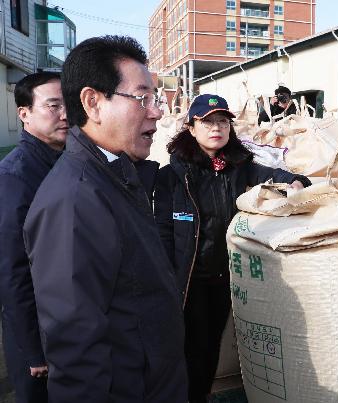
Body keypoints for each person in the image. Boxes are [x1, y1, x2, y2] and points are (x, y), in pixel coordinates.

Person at [23, 36, 187, 403]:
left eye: (155, 99)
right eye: (142, 98)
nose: (157, 111)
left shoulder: (118, 174)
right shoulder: (74, 201)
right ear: (93, 103)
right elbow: (75, 351)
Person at [154, 93, 310, 403]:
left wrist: (296, 180)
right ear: (191, 128)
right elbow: (162, 233)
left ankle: (200, 394)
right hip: (188, 279)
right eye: (208, 122)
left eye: (223, 122)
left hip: (224, 277)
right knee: (190, 346)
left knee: (211, 344)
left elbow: (272, 175)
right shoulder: (171, 176)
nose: (216, 128)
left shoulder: (238, 167)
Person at [0, 72, 67, 403]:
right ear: (24, 113)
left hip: (71, 323)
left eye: (68, 104)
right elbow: (12, 271)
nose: (65, 114)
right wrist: (32, 349)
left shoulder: (68, 162)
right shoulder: (15, 176)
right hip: (38, 334)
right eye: (53, 105)